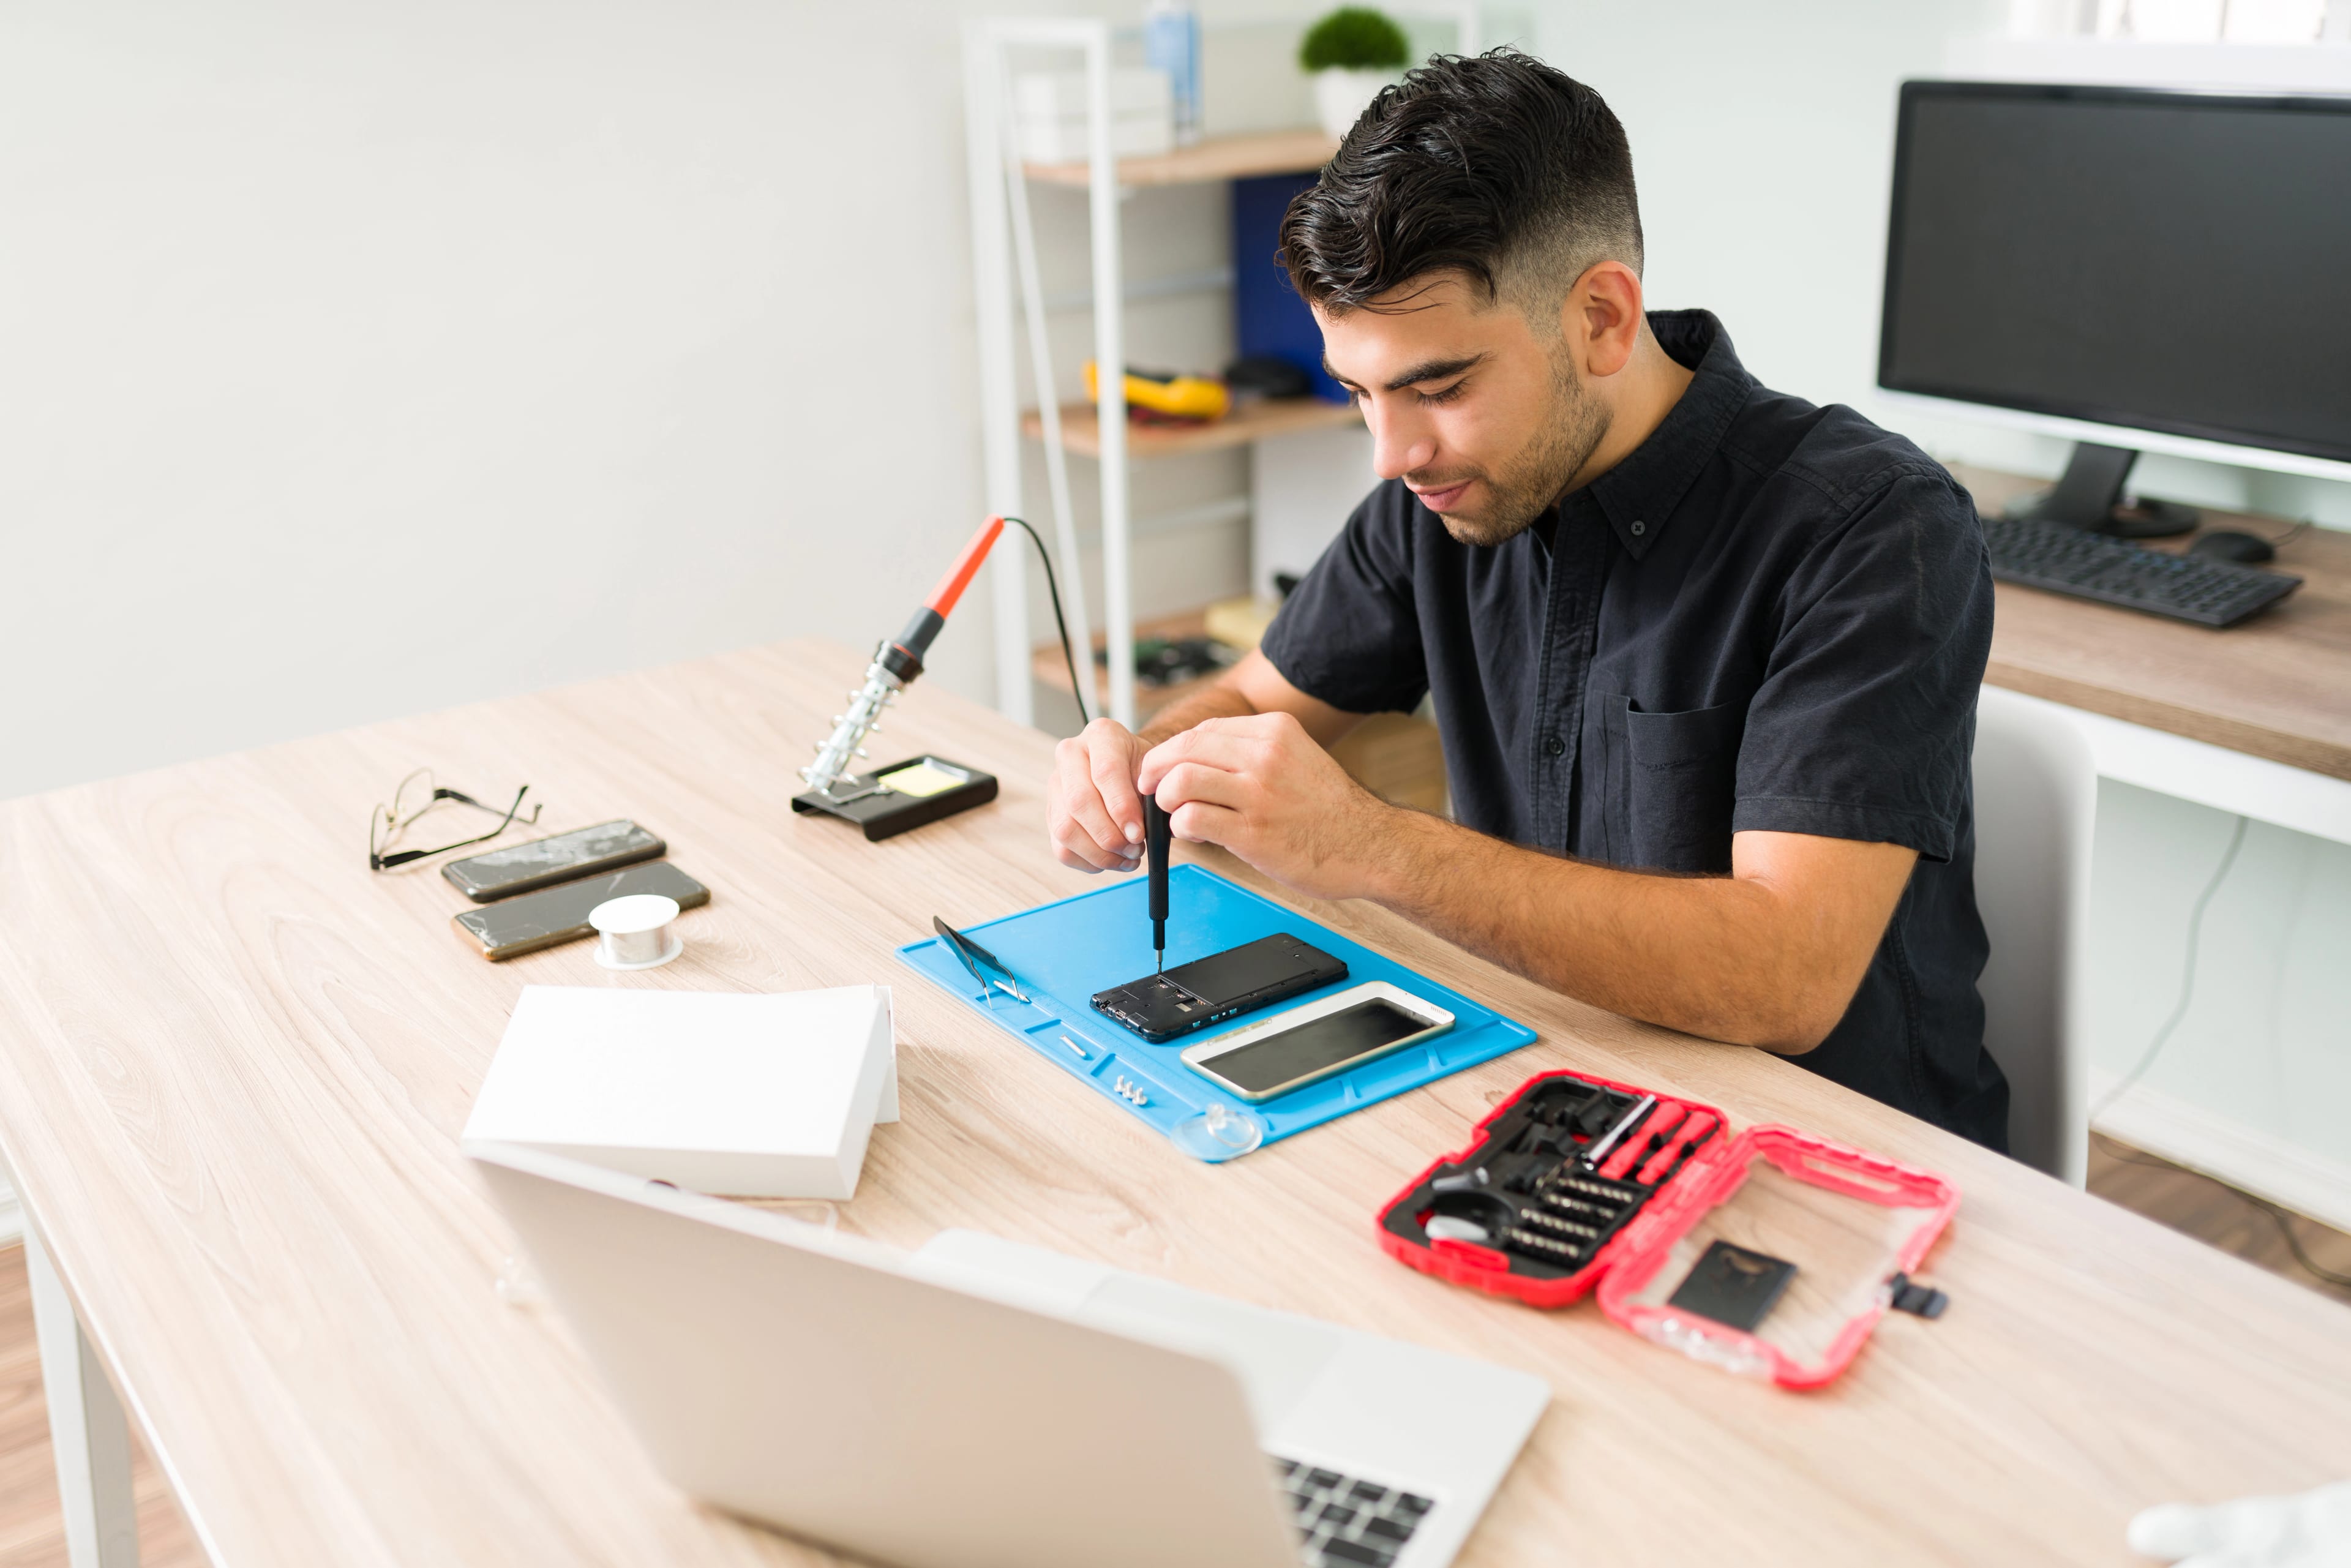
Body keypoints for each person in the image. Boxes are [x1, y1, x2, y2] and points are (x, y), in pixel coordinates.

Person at [1045, 51, 2006, 1147]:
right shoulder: (1441, 491)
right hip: (1547, 1097)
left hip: (1841, 1158)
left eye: (1441, 386)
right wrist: (1146, 759)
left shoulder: (1873, 525)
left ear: (1602, 317)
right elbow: (1247, 698)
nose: (1390, 452)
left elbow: (1785, 977)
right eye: (1359, 392)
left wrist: (1375, 847)